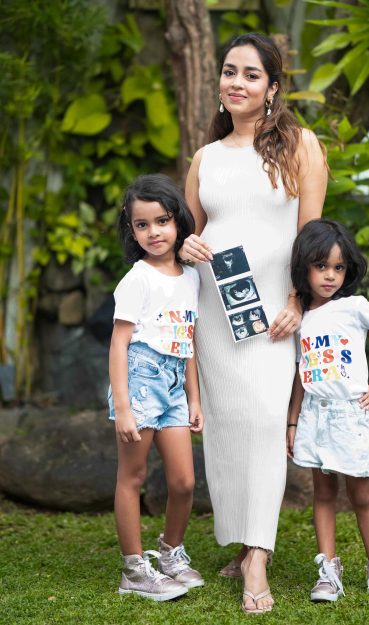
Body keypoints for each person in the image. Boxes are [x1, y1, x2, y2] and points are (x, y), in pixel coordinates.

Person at [180, 33, 328, 613]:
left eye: (250, 74)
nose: (236, 82)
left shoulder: (300, 145)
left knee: (266, 422)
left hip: (274, 316)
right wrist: (187, 245)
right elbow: (185, 233)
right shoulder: (206, 158)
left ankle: (259, 557)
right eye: (229, 71)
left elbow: (311, 233)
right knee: (228, 429)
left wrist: (297, 299)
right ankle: (244, 542)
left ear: (272, 87)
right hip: (216, 317)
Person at [287, 218, 369, 605]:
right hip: (313, 415)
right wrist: (293, 421)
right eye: (321, 266)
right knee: (323, 493)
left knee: (361, 494)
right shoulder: (301, 317)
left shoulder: (355, 307)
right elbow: (301, 372)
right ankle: (328, 569)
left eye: (338, 267)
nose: (330, 275)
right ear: (304, 266)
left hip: (349, 415)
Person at [108, 174, 205, 601]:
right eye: (142, 224)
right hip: (141, 380)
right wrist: (124, 407)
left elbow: (188, 340)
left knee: (183, 481)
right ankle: (133, 570)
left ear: (178, 221)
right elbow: (119, 344)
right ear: (132, 230)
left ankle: (170, 553)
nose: (154, 232)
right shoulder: (137, 279)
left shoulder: (192, 277)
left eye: (162, 221)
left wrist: (194, 398)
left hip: (174, 383)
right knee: (133, 476)